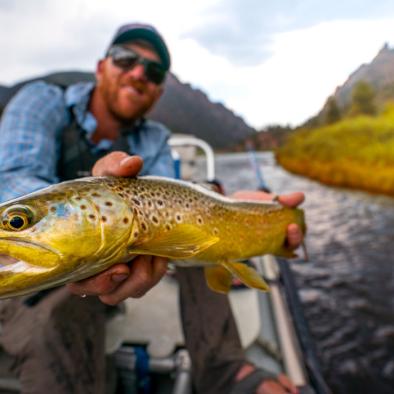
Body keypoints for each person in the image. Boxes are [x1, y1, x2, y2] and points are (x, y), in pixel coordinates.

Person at [0, 23, 302, 394]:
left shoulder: (154, 138)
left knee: (195, 236)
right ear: (100, 67)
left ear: (158, 90)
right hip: (36, 278)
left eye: (154, 71)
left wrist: (230, 206)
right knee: (56, 319)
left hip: (112, 266)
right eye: (125, 59)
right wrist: (43, 219)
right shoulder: (42, 101)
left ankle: (227, 370)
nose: (139, 72)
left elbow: (180, 201)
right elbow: (14, 177)